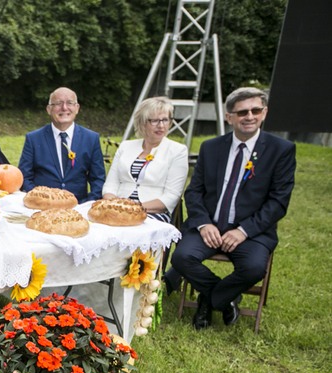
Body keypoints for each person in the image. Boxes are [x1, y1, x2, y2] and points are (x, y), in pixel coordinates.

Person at [171, 87, 296, 330]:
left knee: (253, 268)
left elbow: (278, 202)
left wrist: (243, 231)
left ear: (264, 112)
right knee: (181, 257)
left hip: (252, 232)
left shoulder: (280, 150)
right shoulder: (211, 147)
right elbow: (194, 191)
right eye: (242, 112)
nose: (250, 116)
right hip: (210, 227)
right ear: (230, 117)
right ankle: (225, 297)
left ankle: (211, 298)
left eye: (256, 110)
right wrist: (204, 223)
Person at [102, 96, 189, 222]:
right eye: (154, 121)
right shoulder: (126, 146)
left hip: (152, 213)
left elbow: (171, 197)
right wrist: (113, 205)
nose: (161, 125)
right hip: (117, 209)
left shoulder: (177, 151)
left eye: (165, 120)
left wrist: (133, 208)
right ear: (142, 122)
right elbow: (110, 185)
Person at [17, 87, 106, 202]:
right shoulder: (33, 139)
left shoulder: (91, 138)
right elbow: (24, 177)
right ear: (49, 109)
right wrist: (39, 199)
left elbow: (98, 179)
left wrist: (87, 204)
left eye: (70, 103)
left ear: (77, 108)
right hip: (43, 207)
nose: (64, 108)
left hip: (79, 207)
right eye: (58, 103)